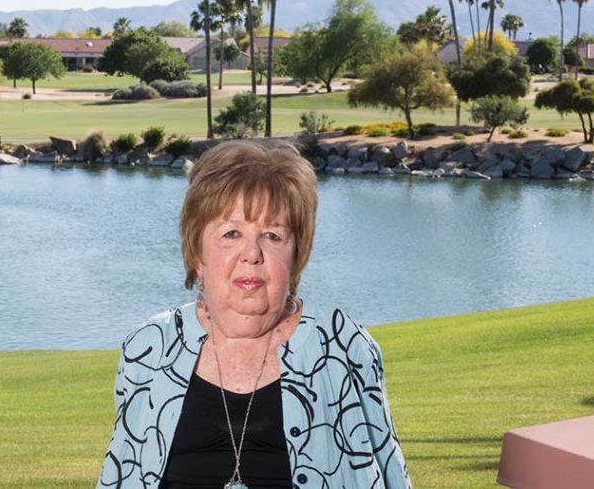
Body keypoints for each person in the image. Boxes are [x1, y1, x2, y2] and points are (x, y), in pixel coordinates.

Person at [96, 140, 411, 489]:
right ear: (198, 252)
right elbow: (120, 474)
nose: (252, 254)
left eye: (273, 236)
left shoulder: (340, 346)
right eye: (231, 233)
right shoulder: (149, 349)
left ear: (296, 255)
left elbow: (389, 473)